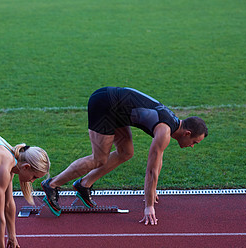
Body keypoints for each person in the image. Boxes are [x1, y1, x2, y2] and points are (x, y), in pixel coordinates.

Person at [41, 87, 208, 225]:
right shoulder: (165, 131)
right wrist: (149, 205)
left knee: (126, 152)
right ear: (187, 133)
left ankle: (84, 184)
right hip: (105, 104)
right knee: (99, 158)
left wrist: (153, 189)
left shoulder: (171, 124)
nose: (192, 146)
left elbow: (158, 160)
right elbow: (151, 171)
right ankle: (52, 184)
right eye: (195, 142)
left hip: (117, 109)